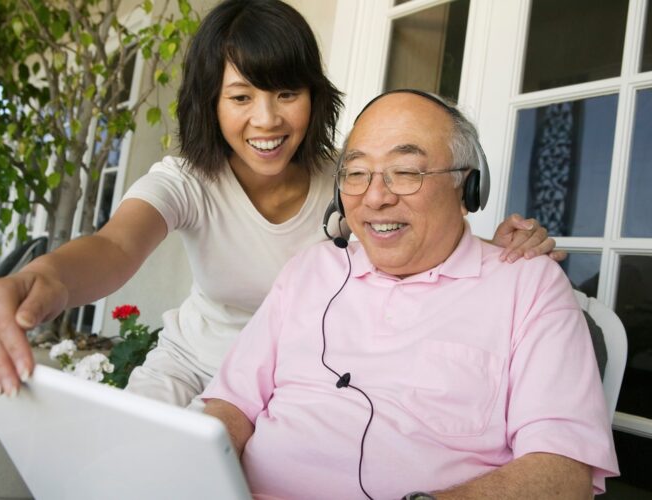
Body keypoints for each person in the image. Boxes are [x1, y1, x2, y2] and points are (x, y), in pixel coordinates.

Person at [0, 0, 560, 401]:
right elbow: (112, 246)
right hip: (189, 369)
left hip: (303, 380)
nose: (266, 120)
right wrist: (36, 282)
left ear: (313, 98)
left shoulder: (349, 183)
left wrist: (501, 246)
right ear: (211, 105)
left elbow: (419, 233)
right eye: (240, 97)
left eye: (285, 92)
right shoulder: (186, 180)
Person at [202, 89, 619, 499]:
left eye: (405, 172)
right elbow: (229, 405)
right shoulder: (309, 270)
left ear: (467, 189)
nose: (376, 197)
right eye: (357, 173)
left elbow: (563, 473)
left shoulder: (528, 286)